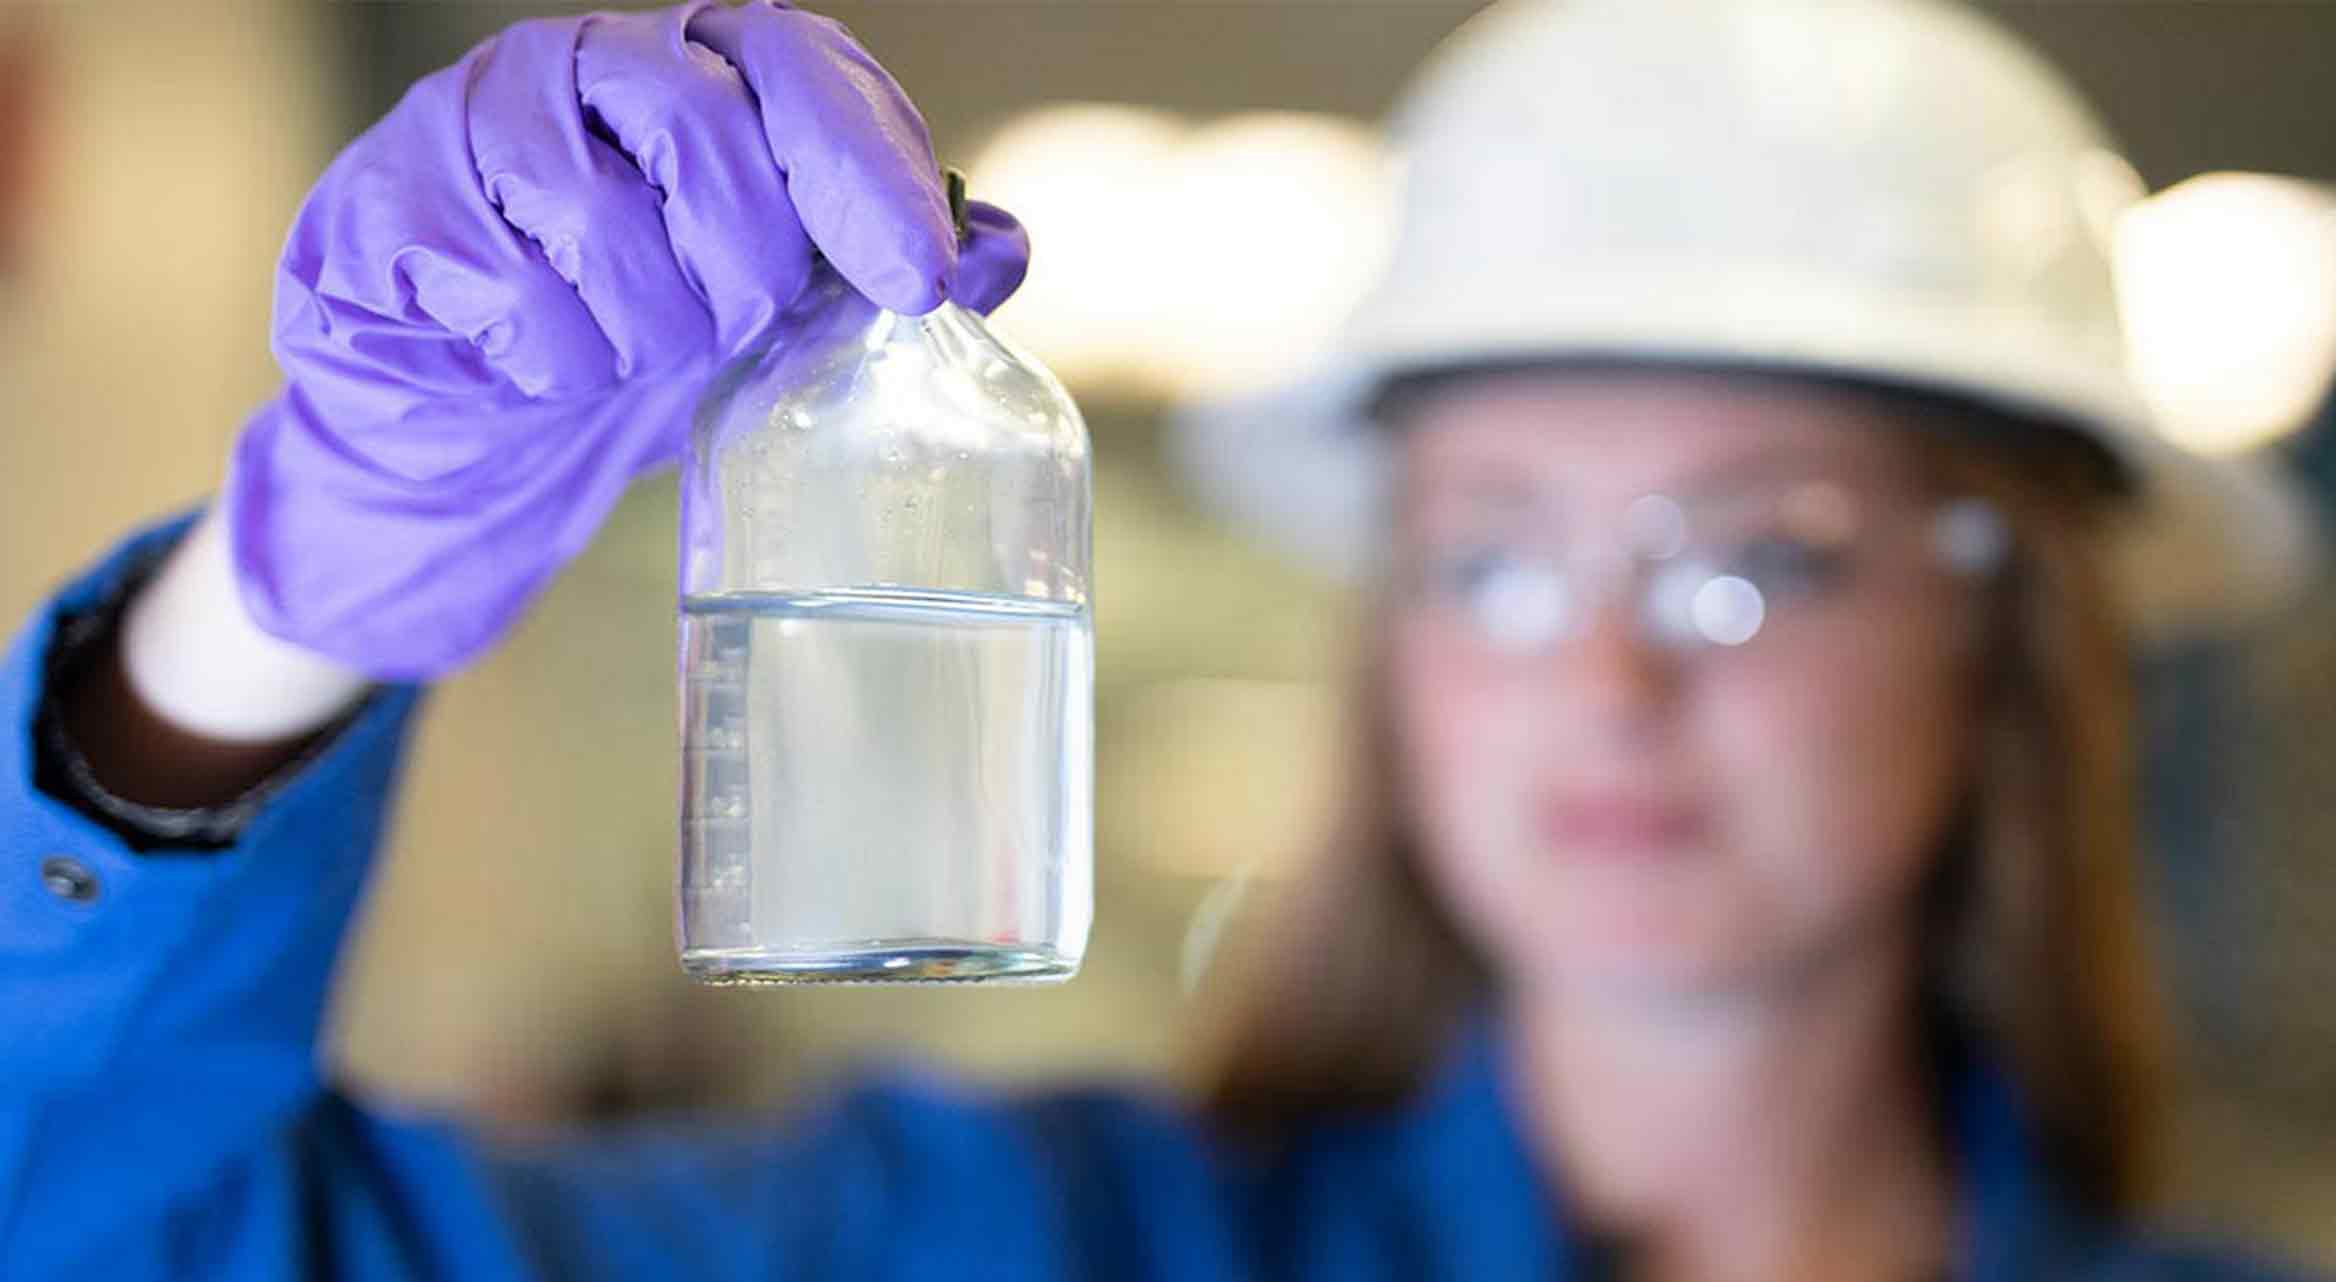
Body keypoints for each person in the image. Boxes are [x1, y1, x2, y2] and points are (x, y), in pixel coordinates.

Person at [0, 1, 2321, 1279]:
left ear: (2018, 629)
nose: (1602, 679)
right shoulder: (1020, 1244)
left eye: (1757, 561)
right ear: (1389, 633)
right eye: (1493, 557)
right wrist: (259, 626)